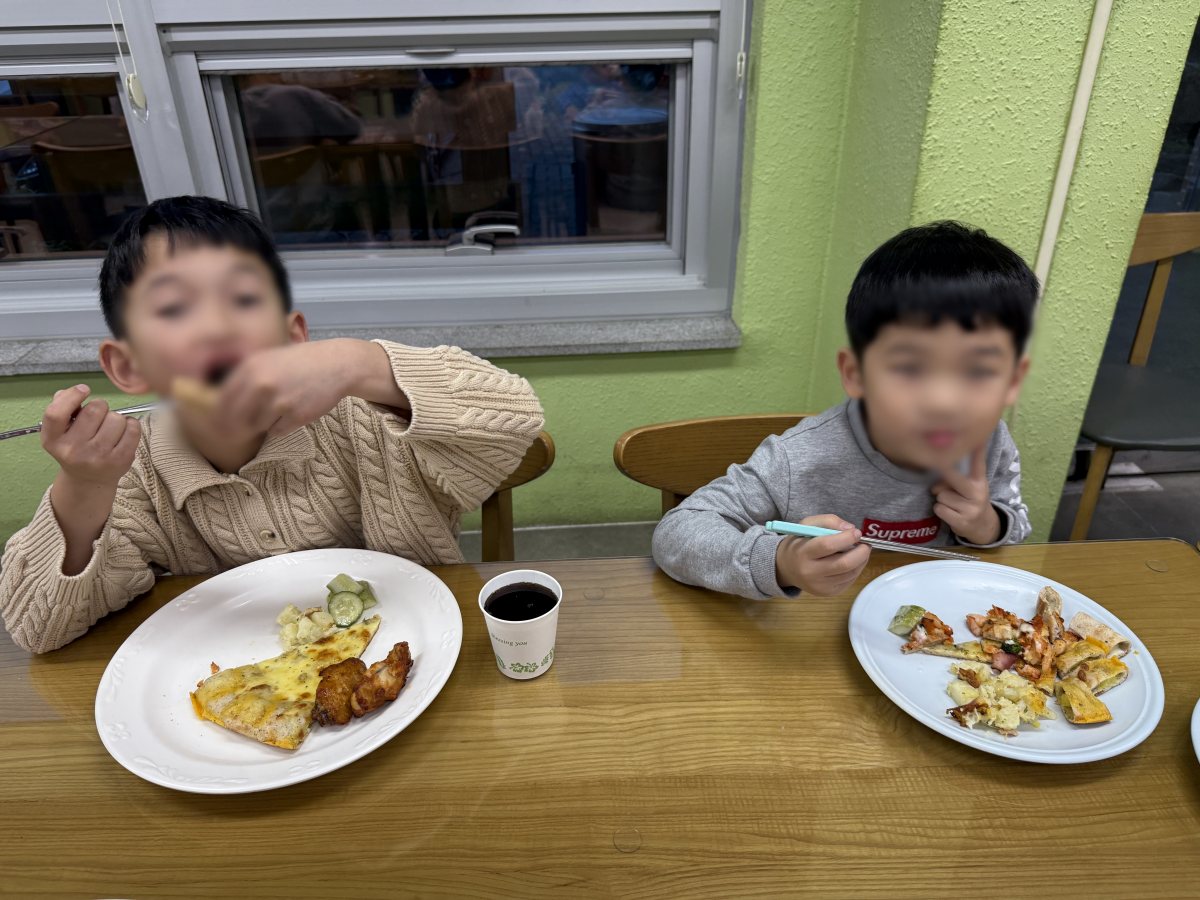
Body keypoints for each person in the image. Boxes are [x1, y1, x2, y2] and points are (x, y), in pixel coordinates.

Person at [0, 196, 544, 653]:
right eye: (174, 309)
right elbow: (37, 629)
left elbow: (516, 424)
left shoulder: (366, 418)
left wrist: (359, 363)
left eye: (243, 299)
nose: (217, 327)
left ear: (294, 337)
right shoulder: (132, 477)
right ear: (128, 366)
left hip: (432, 651)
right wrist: (83, 487)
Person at [652, 221, 1036, 601]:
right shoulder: (796, 460)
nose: (944, 401)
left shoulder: (991, 443)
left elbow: (1016, 524)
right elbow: (677, 532)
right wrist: (781, 562)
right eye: (911, 368)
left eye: (979, 371)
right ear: (855, 374)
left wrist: (988, 524)